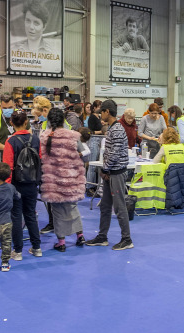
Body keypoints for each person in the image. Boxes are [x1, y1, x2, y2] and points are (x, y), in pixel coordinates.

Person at [85, 100, 133, 250]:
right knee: (105, 206)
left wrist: (105, 169)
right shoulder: (113, 128)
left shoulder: (117, 129)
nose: (100, 116)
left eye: (101, 112)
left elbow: (114, 153)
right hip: (110, 172)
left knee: (119, 207)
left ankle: (127, 239)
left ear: (107, 112)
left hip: (116, 173)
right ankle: (102, 236)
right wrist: (106, 170)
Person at [39, 108, 86, 252]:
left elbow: (41, 157)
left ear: (49, 120)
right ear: (63, 120)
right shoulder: (73, 135)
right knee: (72, 207)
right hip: (71, 178)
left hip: (54, 180)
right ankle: (80, 236)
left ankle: (61, 241)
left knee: (57, 210)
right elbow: (83, 152)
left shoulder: (45, 136)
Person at [2, 110, 42, 260]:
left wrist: (7, 187)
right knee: (31, 214)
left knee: (16, 217)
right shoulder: (36, 139)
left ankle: (17, 251)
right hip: (32, 183)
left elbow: (8, 166)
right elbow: (40, 160)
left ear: (11, 123)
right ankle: (37, 248)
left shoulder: (10, 142)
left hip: (16, 184)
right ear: (26, 122)